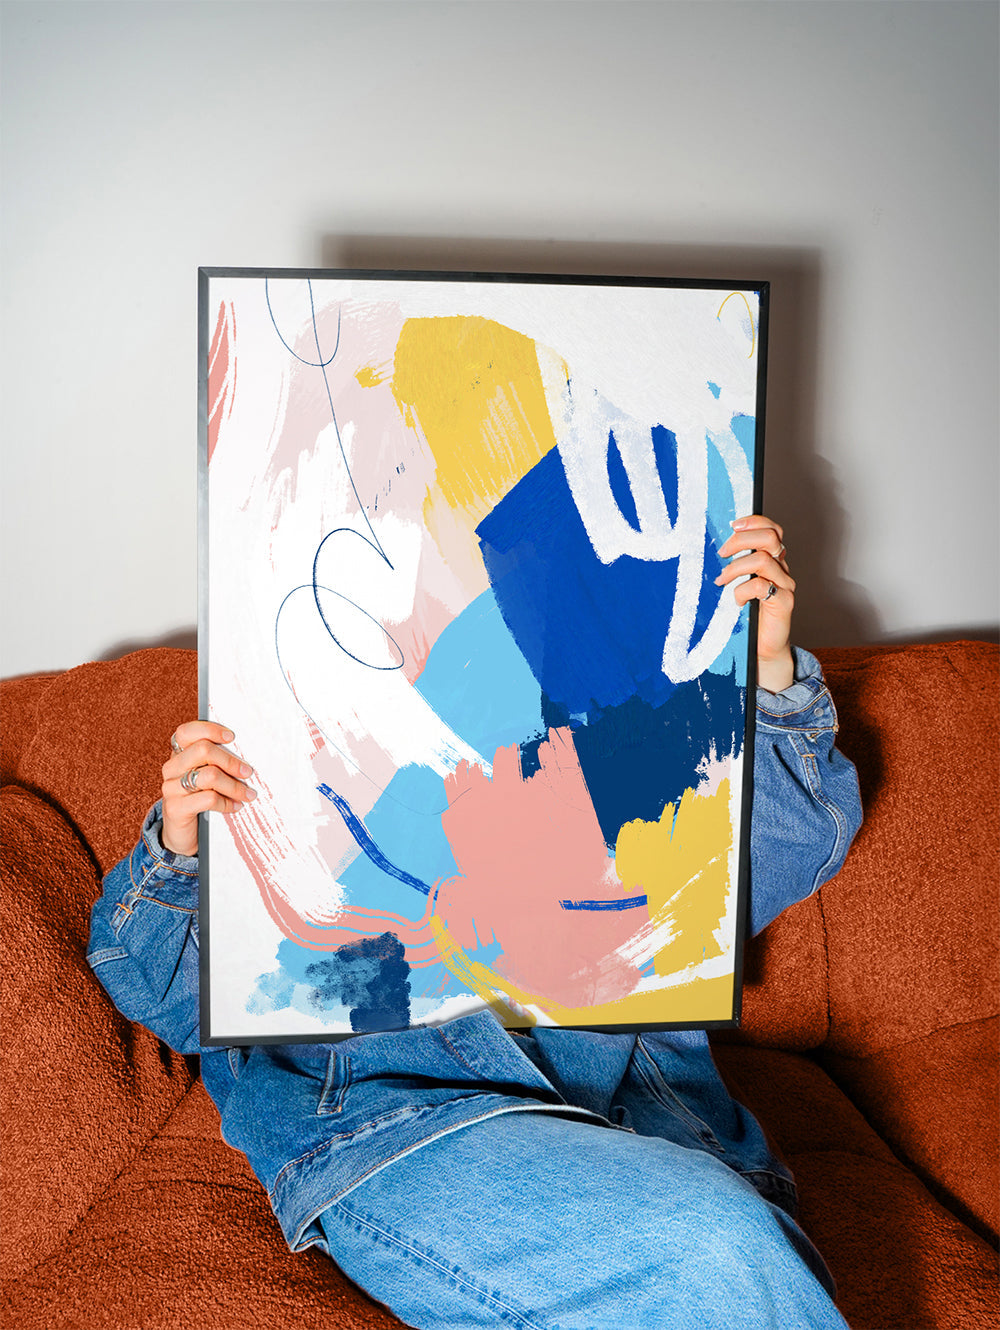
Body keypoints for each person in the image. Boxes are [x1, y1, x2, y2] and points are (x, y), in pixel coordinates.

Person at [88, 515, 862, 1329]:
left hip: (639, 1120)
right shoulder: (295, 780)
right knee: (720, 1247)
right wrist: (183, 847)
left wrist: (766, 672)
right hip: (400, 1121)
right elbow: (160, 994)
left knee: (724, 1242)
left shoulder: (615, 752)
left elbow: (778, 853)